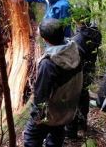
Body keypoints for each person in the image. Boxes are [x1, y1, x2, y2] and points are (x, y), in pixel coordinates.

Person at [23, 18, 83, 147]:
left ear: (46, 40)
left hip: (51, 114)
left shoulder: (49, 64)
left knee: (31, 137)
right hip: (67, 110)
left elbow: (41, 95)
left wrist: (37, 117)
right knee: (57, 134)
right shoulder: (75, 49)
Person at [65, 5, 102, 138]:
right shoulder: (96, 32)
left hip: (78, 73)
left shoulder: (77, 39)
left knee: (73, 99)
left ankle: (71, 131)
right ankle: (83, 122)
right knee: (84, 94)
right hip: (89, 70)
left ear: (75, 19)